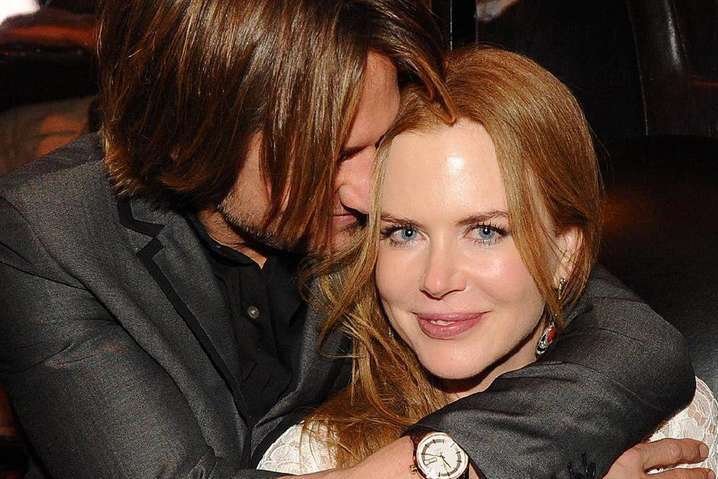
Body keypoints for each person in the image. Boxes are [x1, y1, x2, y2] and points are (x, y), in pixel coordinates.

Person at [0, 1, 698, 478]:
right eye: (331, 154)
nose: (370, 193)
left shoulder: (388, 213)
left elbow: (637, 343)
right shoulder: (50, 231)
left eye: (378, 139)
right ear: (197, 136)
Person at [257, 48, 717, 478]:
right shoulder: (315, 456)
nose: (437, 279)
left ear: (566, 252)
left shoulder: (669, 422)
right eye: (405, 233)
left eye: (485, 232)